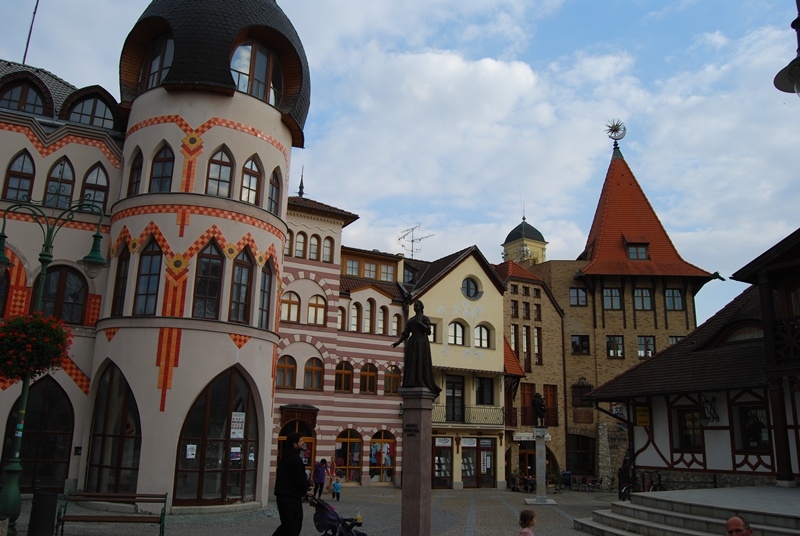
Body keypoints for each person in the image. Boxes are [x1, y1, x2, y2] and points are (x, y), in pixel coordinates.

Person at [391, 300, 442, 396]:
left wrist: (420, 323)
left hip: (422, 341)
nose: (415, 307)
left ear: (421, 307)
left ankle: (422, 380)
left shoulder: (424, 318)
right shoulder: (411, 320)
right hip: (413, 342)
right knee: (413, 362)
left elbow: (428, 331)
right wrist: (398, 342)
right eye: (414, 306)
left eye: (417, 306)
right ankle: (412, 381)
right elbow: (406, 333)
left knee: (421, 361)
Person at [273, 432, 311, 536]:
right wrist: (306, 486)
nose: (303, 442)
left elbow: (290, 479)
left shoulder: (285, 457)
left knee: (287, 525)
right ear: (294, 444)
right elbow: (300, 478)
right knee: (292, 526)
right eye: (300, 441)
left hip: (283, 496)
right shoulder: (295, 459)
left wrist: (304, 491)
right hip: (291, 498)